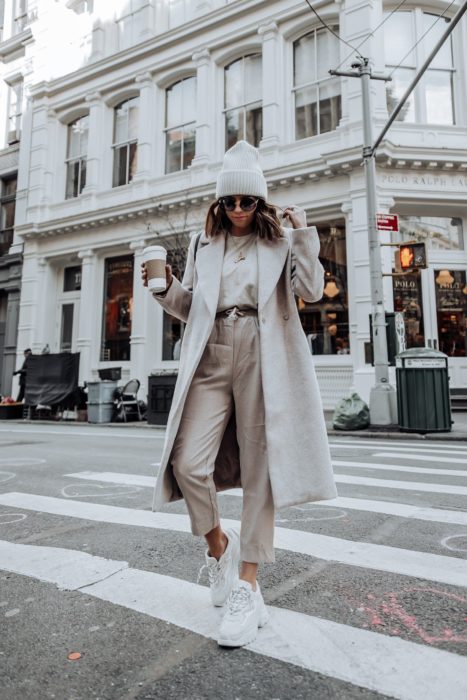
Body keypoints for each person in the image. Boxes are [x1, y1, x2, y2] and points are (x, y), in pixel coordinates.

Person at [141, 141, 337, 648]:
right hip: (211, 350)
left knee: (260, 467)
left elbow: (312, 292)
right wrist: (163, 291)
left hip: (263, 348)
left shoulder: (281, 240)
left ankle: (247, 583)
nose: (237, 211)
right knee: (187, 462)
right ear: (218, 204)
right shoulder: (202, 242)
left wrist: (302, 236)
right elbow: (193, 306)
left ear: (261, 202)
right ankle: (219, 549)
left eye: (247, 202)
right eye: (229, 202)